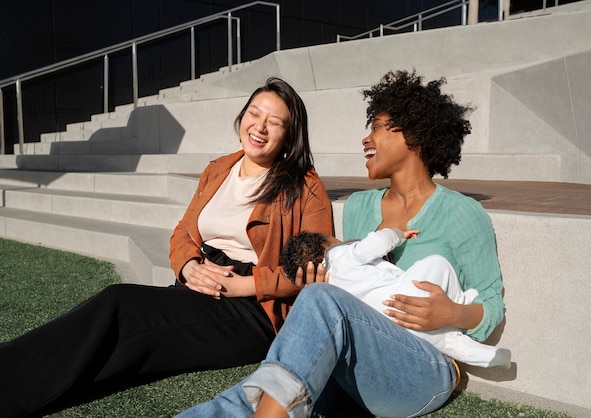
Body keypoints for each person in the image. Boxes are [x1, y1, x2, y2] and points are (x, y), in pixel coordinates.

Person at [177, 70, 506, 418]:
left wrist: (452, 313)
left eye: (377, 127)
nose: (366, 139)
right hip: (359, 355)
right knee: (261, 391)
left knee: (311, 321)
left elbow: (491, 304)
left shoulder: (461, 213)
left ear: (414, 134)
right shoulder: (360, 207)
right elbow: (346, 288)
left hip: (426, 367)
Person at [0, 77, 334, 418]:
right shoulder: (219, 169)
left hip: (253, 308)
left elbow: (316, 269)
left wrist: (246, 285)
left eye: (275, 123)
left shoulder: (306, 187)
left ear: (290, 136)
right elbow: (183, 233)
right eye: (254, 113)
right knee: (126, 341)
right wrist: (188, 265)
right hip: (199, 282)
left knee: (120, 305)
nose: (259, 127)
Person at [280, 228, 511, 369]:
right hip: (409, 298)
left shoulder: (331, 288)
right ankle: (462, 301)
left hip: (393, 330)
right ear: (326, 245)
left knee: (448, 343)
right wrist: (398, 234)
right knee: (435, 263)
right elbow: (377, 243)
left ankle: (474, 351)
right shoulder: (341, 255)